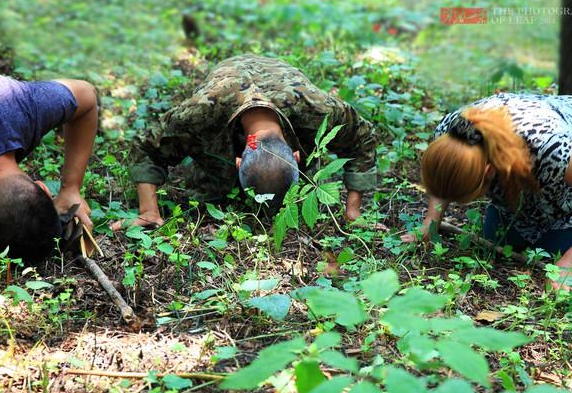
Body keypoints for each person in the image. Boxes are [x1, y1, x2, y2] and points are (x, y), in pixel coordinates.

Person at [115, 54, 378, 230]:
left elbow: (362, 138)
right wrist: (148, 210)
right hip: (229, 82)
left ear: (297, 156)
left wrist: (352, 211)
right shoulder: (200, 114)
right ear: (237, 160)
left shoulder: (318, 110)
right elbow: (146, 145)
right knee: (209, 194)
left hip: (280, 80)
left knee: (306, 200)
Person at [402, 93, 572, 290]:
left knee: (552, 250)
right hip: (525, 192)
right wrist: (430, 222)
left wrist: (566, 266)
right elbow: (443, 180)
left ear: (489, 171)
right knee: (500, 238)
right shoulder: (448, 133)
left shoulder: (553, 149)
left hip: (563, 194)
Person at [0, 60, 98, 261]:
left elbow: (87, 94)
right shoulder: (22, 107)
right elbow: (88, 95)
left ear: (44, 189)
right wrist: (71, 187)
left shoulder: (24, 109)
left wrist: (71, 188)